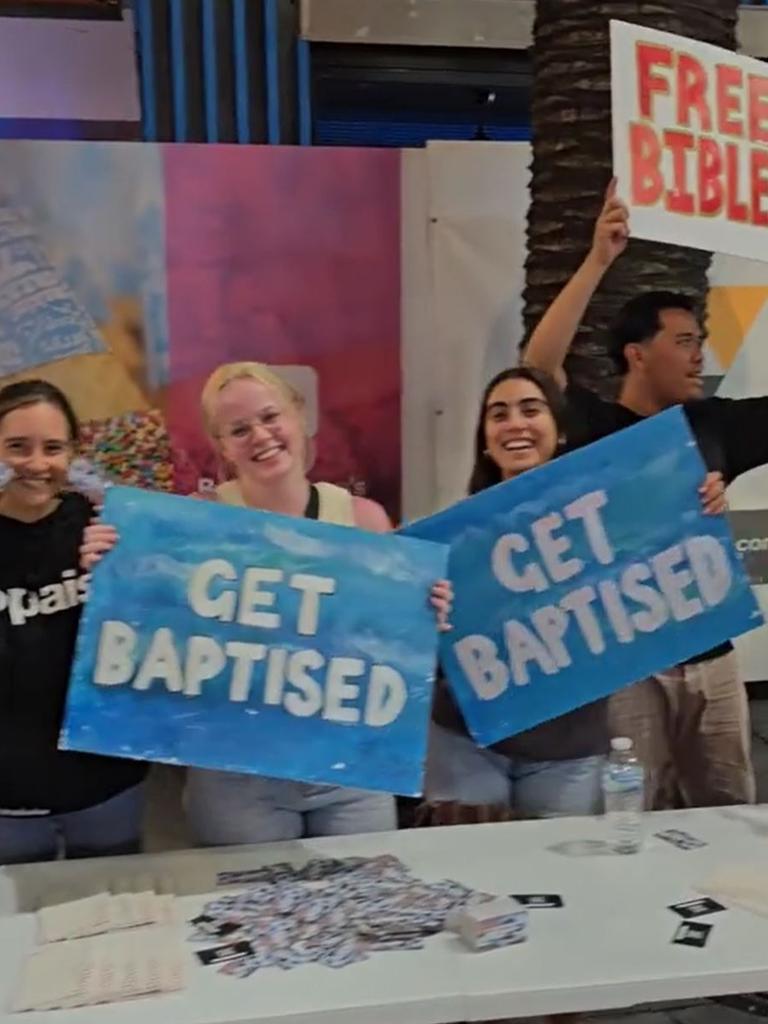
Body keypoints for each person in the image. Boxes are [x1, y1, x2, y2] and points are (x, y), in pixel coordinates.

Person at [82, 361, 452, 845]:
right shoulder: (194, 524)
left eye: (270, 417)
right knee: (249, 915)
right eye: (239, 429)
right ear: (223, 448)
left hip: (349, 776)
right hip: (237, 780)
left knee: (359, 911)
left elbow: (391, 649)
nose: (260, 435)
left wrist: (425, 618)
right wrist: (109, 566)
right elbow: (147, 633)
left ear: (298, 417)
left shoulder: (364, 520)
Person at [523, 182, 762, 809]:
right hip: (629, 663)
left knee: (731, 819)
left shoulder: (716, 425)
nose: (698, 354)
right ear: (637, 353)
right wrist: (599, 259)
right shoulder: (594, 428)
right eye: (683, 341)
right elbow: (539, 368)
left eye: (699, 341)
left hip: (714, 661)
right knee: (629, 823)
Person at [425, 367, 610, 818]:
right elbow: (417, 645)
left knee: (562, 880)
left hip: (568, 745)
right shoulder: (451, 534)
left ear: (559, 431)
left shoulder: (603, 519)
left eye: (531, 409)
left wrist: (703, 500)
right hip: (466, 742)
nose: (515, 424)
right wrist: (426, 611)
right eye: (498, 414)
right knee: (469, 878)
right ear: (485, 439)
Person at [0, 379, 147, 864]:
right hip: (8, 799)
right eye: (17, 447)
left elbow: (150, 638)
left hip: (104, 783)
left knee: (116, 923)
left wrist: (119, 577)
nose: (37, 464)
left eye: (53, 447)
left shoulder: (102, 525)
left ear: (73, 452)